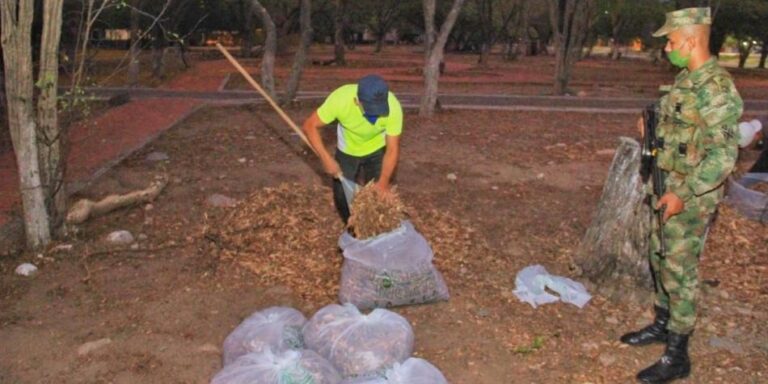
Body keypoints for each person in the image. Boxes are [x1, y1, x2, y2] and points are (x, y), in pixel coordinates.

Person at [622, 7, 743, 384]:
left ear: (690, 41)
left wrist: (684, 193)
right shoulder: (686, 78)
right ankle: (662, 323)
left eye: (672, 41)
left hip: (689, 198)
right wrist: (651, 120)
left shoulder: (716, 88)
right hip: (665, 187)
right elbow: (675, 115)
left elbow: (723, 155)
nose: (668, 48)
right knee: (660, 258)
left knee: (680, 271)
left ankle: (678, 354)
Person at [301, 74, 403, 223]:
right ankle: (349, 224)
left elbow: (392, 149)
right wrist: (326, 158)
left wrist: (383, 183)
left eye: (379, 109)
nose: (375, 114)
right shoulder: (340, 100)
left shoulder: (393, 107)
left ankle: (373, 226)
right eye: (370, 109)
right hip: (348, 150)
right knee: (341, 194)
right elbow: (309, 126)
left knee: (377, 194)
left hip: (376, 149)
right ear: (357, 102)